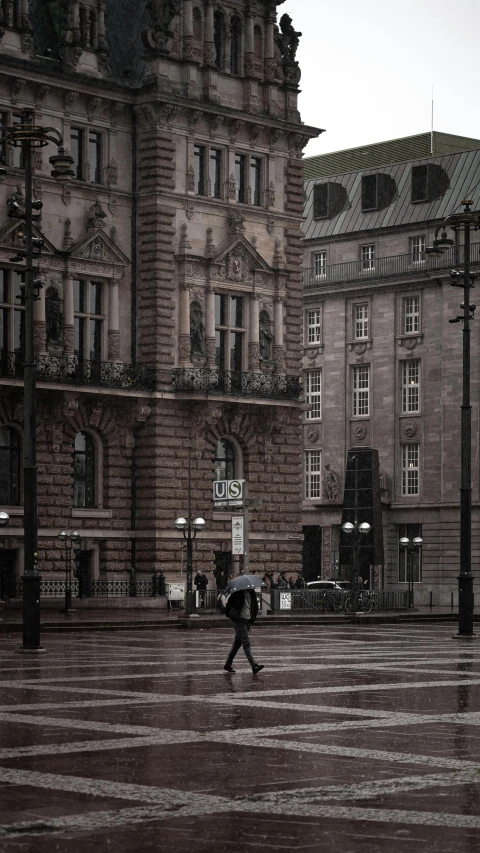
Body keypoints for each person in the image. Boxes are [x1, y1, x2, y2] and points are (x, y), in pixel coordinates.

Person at [224, 587, 264, 674]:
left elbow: (255, 606)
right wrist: (233, 615)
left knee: (237, 644)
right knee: (246, 643)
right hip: (239, 620)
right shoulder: (238, 593)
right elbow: (229, 605)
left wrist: (252, 619)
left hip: (247, 621)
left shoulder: (252, 593)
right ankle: (254, 665)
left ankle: (227, 664)